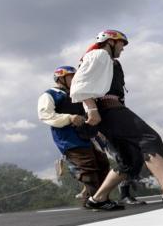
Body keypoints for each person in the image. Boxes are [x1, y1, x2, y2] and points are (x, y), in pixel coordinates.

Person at [70, 29, 163, 207]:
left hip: (109, 110)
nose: (123, 48)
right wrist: (91, 109)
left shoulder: (109, 61)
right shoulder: (99, 54)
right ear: (110, 41)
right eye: (121, 43)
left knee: (129, 159)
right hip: (107, 109)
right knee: (148, 139)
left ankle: (98, 199)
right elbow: (78, 84)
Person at [38, 66, 111, 204]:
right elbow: (45, 115)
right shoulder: (50, 94)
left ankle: (97, 198)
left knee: (103, 164)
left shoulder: (78, 94)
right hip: (69, 139)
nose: (76, 79)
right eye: (72, 76)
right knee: (87, 166)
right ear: (61, 79)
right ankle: (97, 201)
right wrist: (69, 118)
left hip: (88, 136)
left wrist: (98, 131)